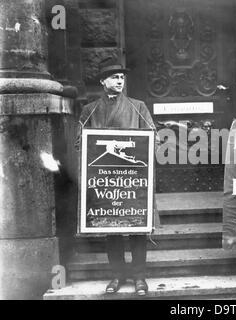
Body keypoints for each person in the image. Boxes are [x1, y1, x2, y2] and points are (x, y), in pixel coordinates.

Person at [75, 56, 158, 295]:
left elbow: (154, 137)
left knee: (137, 228)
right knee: (112, 229)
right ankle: (117, 276)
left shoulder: (137, 107)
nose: (120, 80)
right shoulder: (89, 110)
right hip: (107, 180)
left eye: (122, 77)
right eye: (114, 77)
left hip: (132, 179)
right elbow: (80, 142)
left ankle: (140, 277)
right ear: (103, 81)